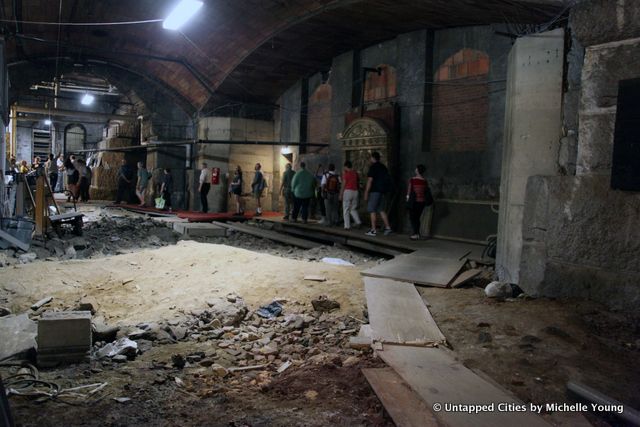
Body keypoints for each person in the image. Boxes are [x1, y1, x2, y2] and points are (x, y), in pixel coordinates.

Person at [364, 151, 392, 236]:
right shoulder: (383, 167)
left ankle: (373, 230)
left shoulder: (373, 167)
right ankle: (388, 227)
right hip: (383, 191)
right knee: (381, 210)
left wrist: (366, 192)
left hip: (375, 191)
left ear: (373, 158)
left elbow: (370, 180)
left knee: (372, 210)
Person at [406, 164, 431, 240]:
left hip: (414, 201)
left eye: (416, 168)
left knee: (413, 218)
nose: (415, 169)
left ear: (417, 170)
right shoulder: (424, 181)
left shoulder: (413, 180)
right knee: (417, 218)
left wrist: (407, 198)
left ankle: (415, 234)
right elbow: (426, 191)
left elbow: (409, 191)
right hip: (422, 202)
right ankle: (417, 234)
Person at [340, 160, 362, 230]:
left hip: (348, 191)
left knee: (346, 209)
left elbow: (343, 184)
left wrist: (341, 194)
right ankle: (358, 222)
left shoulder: (346, 174)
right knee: (353, 208)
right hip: (355, 192)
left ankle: (347, 226)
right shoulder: (355, 173)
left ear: (346, 166)